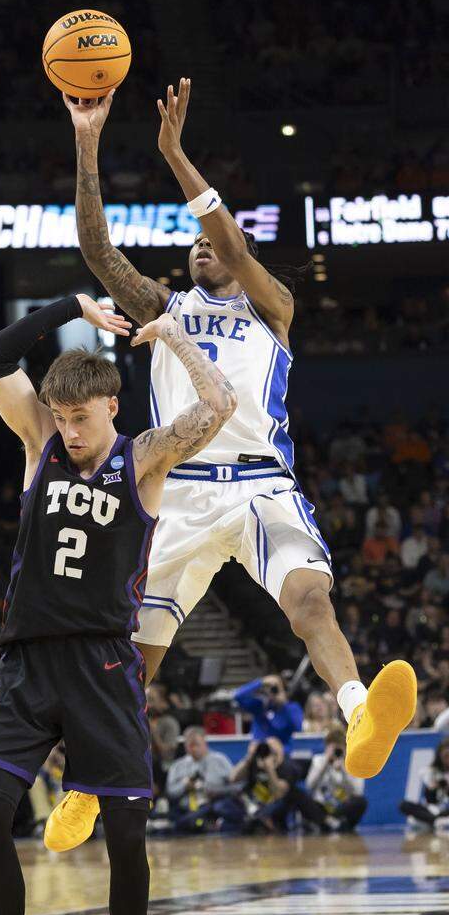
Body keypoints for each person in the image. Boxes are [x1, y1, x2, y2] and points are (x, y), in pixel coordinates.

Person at [49, 76, 416, 850]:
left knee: (310, 601)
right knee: (131, 661)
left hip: (259, 486)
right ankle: (84, 779)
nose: (203, 244)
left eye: (215, 239)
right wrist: (87, 141)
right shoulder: (163, 308)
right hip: (174, 494)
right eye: (194, 242)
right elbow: (96, 249)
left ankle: (359, 717)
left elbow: (235, 240)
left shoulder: (272, 305)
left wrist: (176, 156)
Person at [0, 289, 236, 915]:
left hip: (105, 663)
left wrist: (173, 336)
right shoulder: (37, 441)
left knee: (126, 831)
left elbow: (219, 403)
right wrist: (71, 304)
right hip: (26, 661)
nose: (70, 430)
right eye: (63, 416)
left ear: (112, 406)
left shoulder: (144, 456)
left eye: (82, 417)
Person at [285, 726, 367, 832]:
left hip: (341, 807)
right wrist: (325, 764)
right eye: (333, 747)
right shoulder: (318, 760)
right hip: (321, 807)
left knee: (361, 802)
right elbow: (309, 786)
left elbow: (357, 792)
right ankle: (328, 821)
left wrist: (343, 769)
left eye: (339, 748)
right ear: (326, 747)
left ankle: (330, 822)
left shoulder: (351, 764)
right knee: (296, 794)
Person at [165, 726, 233, 832]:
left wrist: (215, 790)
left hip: (212, 807)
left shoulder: (219, 760)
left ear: (204, 742)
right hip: (186, 809)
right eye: (190, 745)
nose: (193, 749)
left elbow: (235, 785)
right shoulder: (178, 765)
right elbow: (170, 791)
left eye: (196, 744)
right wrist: (184, 786)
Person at [233, 674, 303, 749]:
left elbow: (297, 727)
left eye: (275, 690)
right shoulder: (260, 705)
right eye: (270, 689)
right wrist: (261, 681)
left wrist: (284, 704)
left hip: (282, 752)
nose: (272, 693)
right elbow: (238, 696)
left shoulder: (292, 708)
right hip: (260, 751)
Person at [400, 736, 449, 829]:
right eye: (445, 756)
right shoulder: (431, 771)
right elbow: (430, 800)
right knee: (403, 805)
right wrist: (434, 786)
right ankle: (435, 820)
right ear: (439, 756)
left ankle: (435, 821)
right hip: (433, 809)